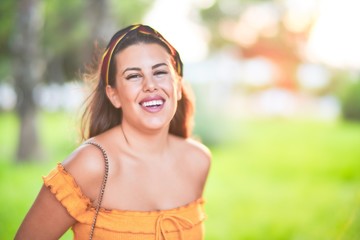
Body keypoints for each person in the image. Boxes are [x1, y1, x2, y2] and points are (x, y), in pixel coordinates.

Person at [15, 24, 211, 240]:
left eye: (160, 72)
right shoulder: (91, 164)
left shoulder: (198, 160)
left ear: (178, 86)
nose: (150, 85)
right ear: (114, 95)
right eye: (134, 76)